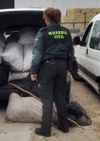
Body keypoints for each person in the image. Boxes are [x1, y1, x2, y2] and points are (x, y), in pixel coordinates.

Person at [30, 7, 74, 137]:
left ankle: (45, 129)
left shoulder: (43, 32)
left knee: (47, 99)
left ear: (47, 18)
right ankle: (64, 126)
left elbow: (37, 54)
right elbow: (71, 52)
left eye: (44, 17)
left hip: (48, 67)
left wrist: (34, 70)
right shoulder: (66, 32)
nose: (43, 19)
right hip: (62, 67)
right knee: (60, 97)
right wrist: (67, 66)